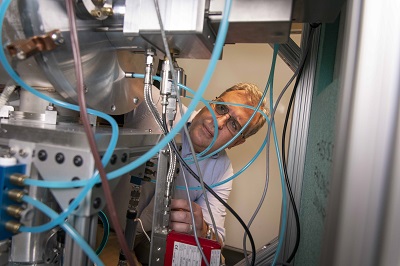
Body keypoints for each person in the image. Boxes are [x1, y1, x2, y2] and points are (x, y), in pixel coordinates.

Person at [129, 82, 268, 264]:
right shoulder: (155, 105)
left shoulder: (222, 170)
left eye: (234, 124)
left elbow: (216, 238)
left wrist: (202, 229)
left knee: (218, 261)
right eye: (221, 108)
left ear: (237, 142)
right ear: (211, 102)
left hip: (142, 240)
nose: (218, 123)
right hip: (99, 220)